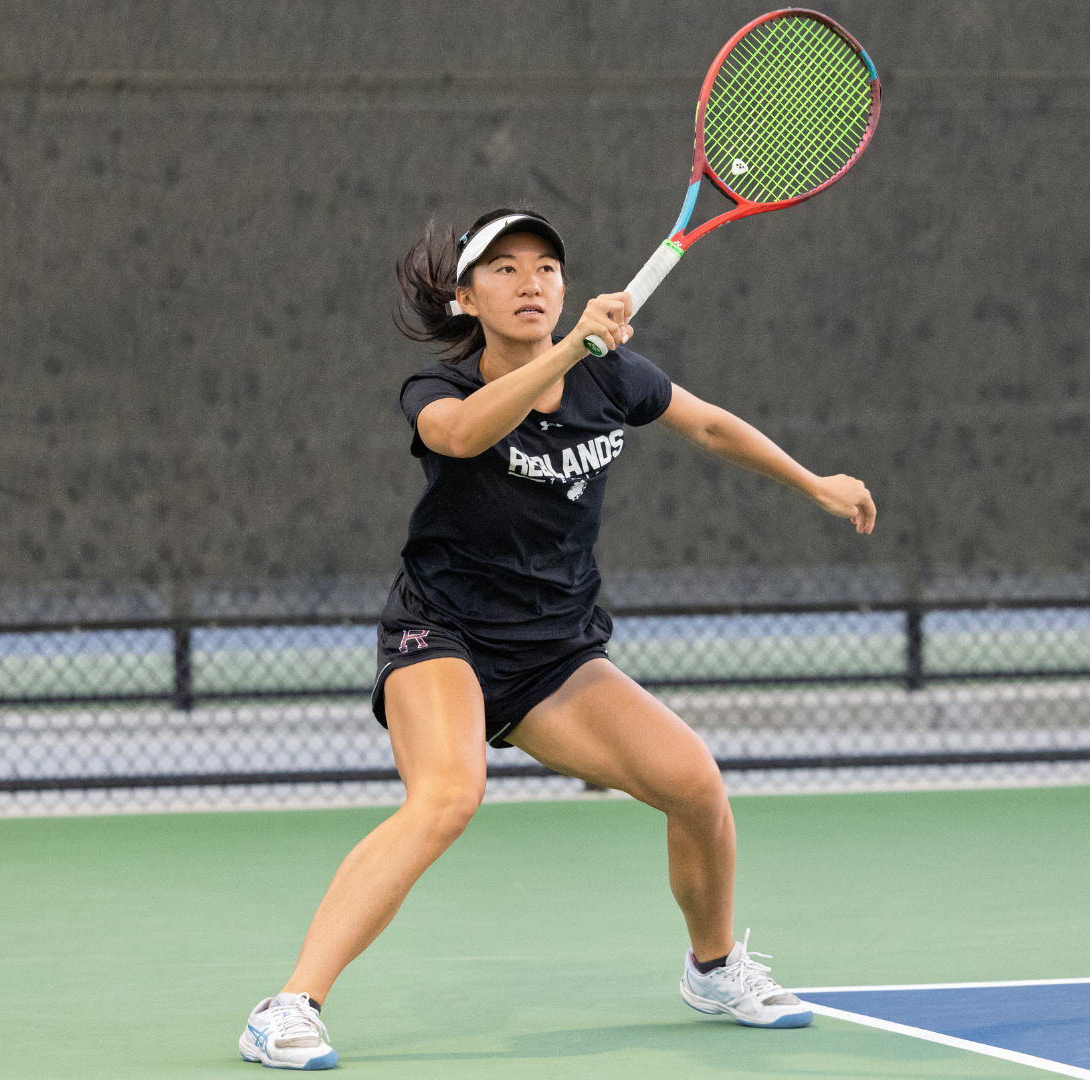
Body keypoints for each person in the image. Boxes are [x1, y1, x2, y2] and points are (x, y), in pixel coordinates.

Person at [240, 208, 877, 1070]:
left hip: (555, 653)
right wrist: (574, 348)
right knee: (448, 796)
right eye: (502, 269)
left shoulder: (613, 379)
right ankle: (288, 1006)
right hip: (444, 633)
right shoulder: (439, 390)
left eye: (545, 267)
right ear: (466, 299)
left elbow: (711, 424)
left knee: (694, 783)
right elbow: (463, 439)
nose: (530, 281)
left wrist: (815, 483)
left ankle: (715, 967)